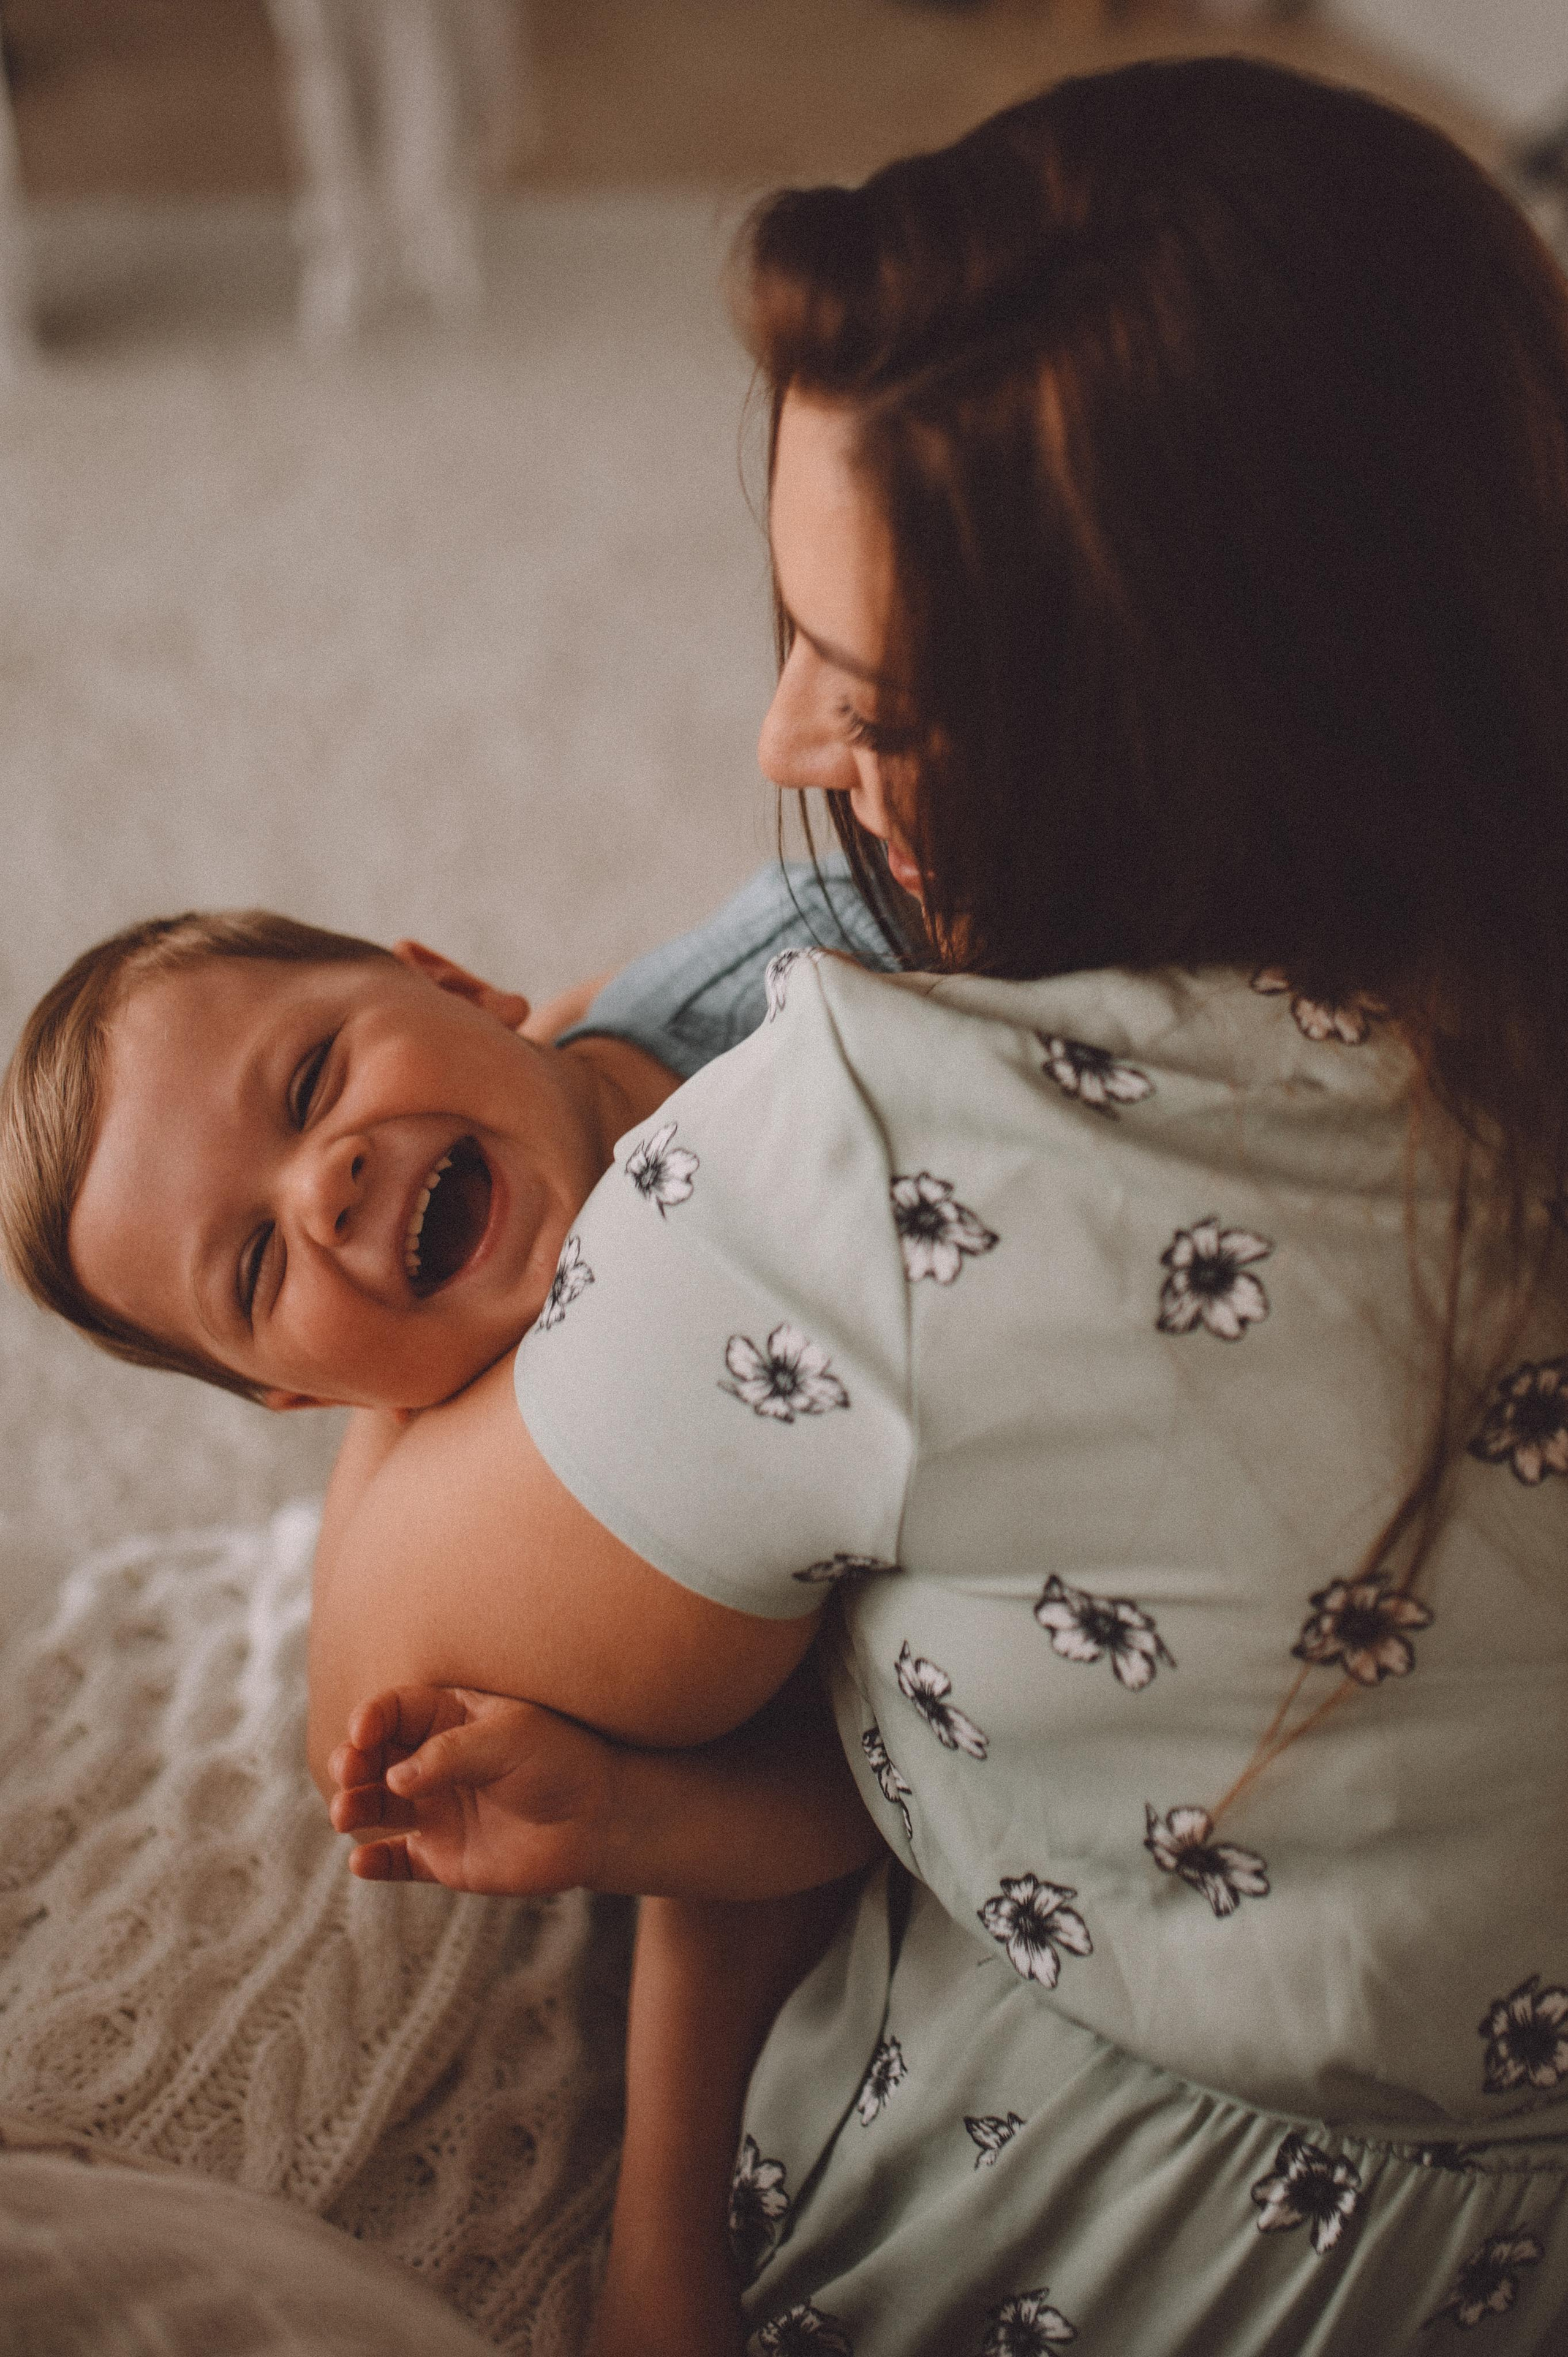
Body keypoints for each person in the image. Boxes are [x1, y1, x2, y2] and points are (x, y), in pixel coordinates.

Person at [7, 50, 1568, 2354]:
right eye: (258, 1279)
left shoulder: (838, 1173)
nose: (780, 752)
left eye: (869, 687)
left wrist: (414, 1374)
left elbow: (394, 1657)